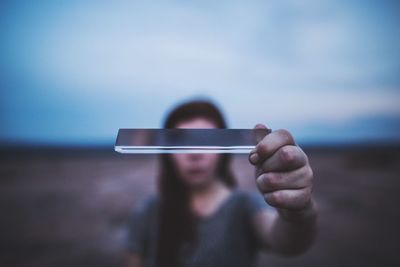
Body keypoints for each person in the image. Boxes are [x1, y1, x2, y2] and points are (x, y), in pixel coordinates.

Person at [125, 99, 317, 267]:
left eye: (206, 141)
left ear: (223, 152)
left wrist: (298, 211)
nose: (195, 154)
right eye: (182, 142)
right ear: (167, 152)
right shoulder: (149, 210)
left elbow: (289, 242)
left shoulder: (244, 206)